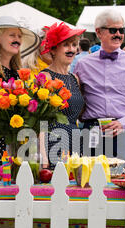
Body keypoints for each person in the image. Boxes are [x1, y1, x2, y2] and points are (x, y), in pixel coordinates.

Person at [74, 9, 125, 170]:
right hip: (93, 133)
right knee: (92, 183)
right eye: (113, 30)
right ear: (98, 32)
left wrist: (124, 123)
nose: (118, 34)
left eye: (122, 30)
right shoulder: (83, 64)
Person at [0, 16, 41, 167]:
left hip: (19, 142)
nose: (17, 40)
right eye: (12, 35)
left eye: (19, 36)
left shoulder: (18, 74)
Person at [40, 22, 86, 167]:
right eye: (66, 45)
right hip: (53, 142)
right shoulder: (45, 77)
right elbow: (39, 122)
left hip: (75, 141)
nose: (71, 49)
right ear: (53, 49)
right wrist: (44, 159)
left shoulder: (74, 78)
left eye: (74, 45)